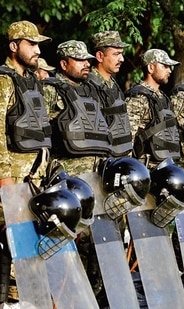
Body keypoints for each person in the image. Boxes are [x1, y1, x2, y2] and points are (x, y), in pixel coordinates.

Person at [0, 20, 51, 305]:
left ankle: (24, 301)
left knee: (29, 244)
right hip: (14, 179)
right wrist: (4, 179)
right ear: (14, 46)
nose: (36, 49)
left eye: (38, 45)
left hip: (36, 178)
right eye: (31, 44)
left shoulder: (31, 81)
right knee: (11, 245)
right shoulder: (3, 80)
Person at [43, 40, 109, 175]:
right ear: (64, 64)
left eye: (87, 60)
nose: (87, 64)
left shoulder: (92, 90)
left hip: (98, 171)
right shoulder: (50, 89)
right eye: (80, 60)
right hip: (68, 172)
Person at [125, 49, 181, 165]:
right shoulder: (138, 97)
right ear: (151, 68)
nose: (169, 71)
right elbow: (128, 139)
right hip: (147, 168)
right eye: (165, 66)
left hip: (168, 165)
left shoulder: (163, 97)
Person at [88, 30, 133, 158]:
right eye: (116, 54)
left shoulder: (114, 85)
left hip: (119, 156)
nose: (122, 59)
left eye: (121, 54)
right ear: (100, 56)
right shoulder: (88, 86)